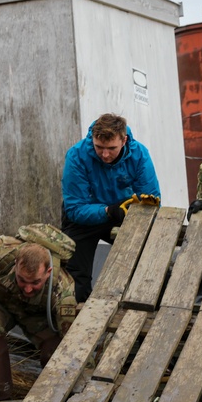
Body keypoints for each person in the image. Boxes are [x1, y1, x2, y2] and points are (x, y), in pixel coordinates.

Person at [0, 224, 78, 400]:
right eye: (21, 280)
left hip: (36, 318)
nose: (27, 289)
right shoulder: (0, 251)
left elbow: (74, 342)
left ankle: (54, 399)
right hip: (0, 303)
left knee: (58, 351)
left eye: (35, 282)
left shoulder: (63, 291)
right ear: (15, 264)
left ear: (48, 272)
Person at [61, 113, 160, 302]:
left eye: (111, 148)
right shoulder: (76, 155)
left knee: (147, 262)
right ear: (92, 139)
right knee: (74, 280)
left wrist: (137, 210)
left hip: (122, 213)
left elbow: (153, 200)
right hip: (82, 217)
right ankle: (76, 322)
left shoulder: (139, 155)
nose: (105, 154)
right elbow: (74, 208)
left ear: (124, 140)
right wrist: (106, 211)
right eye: (99, 147)